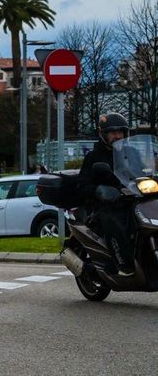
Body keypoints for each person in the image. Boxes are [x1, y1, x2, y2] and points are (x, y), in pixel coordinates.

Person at [77, 113, 135, 276]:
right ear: (103, 134)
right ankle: (123, 264)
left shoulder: (131, 153)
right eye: (113, 132)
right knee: (113, 219)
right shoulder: (94, 157)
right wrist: (99, 190)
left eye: (120, 132)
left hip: (131, 199)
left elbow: (144, 171)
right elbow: (82, 185)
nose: (118, 136)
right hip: (105, 204)